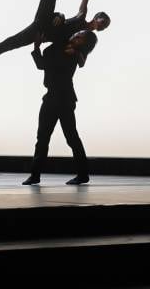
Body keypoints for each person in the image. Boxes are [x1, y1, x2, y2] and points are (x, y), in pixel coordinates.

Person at [22, 29, 98, 186]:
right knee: (42, 138)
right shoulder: (62, 48)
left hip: (64, 100)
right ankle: (35, 175)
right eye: (77, 33)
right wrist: (37, 47)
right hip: (51, 98)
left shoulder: (75, 54)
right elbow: (41, 64)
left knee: (71, 138)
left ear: (85, 44)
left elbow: (44, 64)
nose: (76, 36)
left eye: (81, 37)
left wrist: (40, 48)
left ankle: (83, 175)